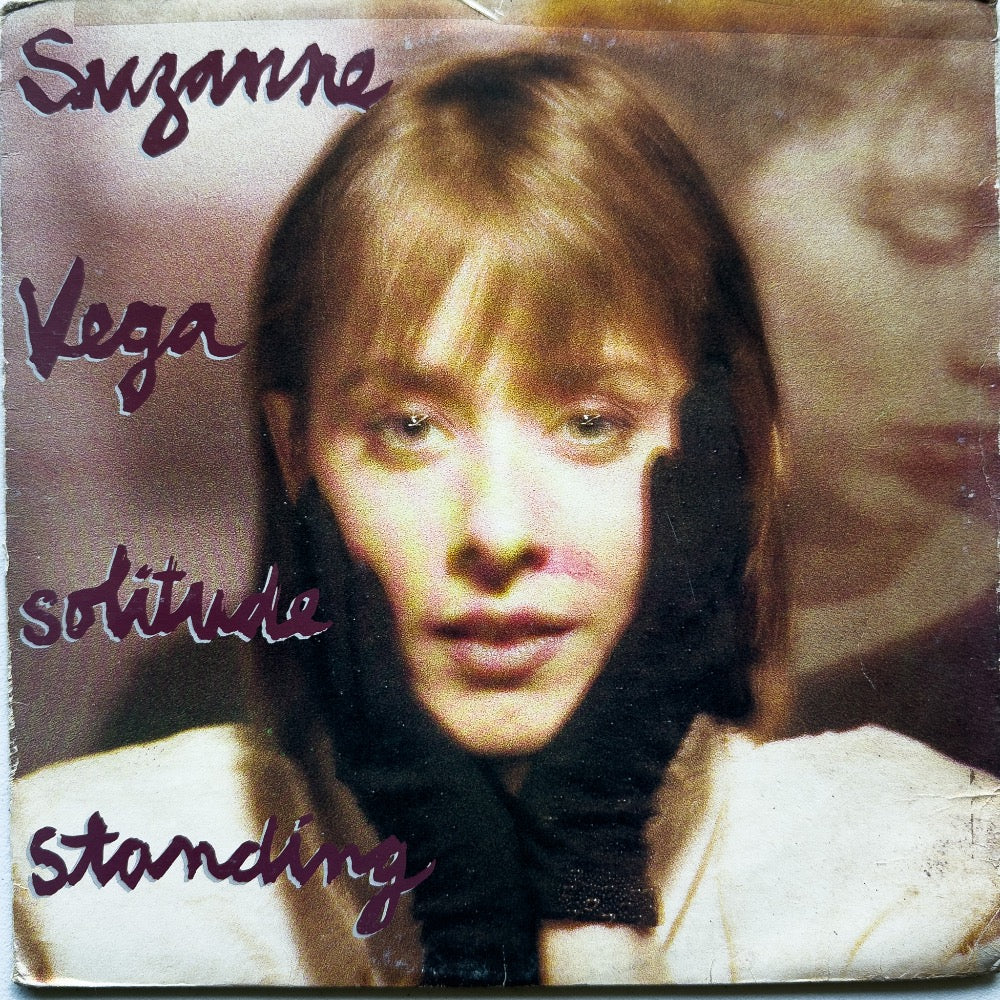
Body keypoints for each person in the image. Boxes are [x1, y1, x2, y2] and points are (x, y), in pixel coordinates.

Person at [12, 48, 1000, 988]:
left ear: (728, 451)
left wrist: (591, 884)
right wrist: (466, 924)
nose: (495, 530)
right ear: (296, 454)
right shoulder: (66, 890)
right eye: (408, 428)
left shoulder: (924, 870)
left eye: (590, 424)